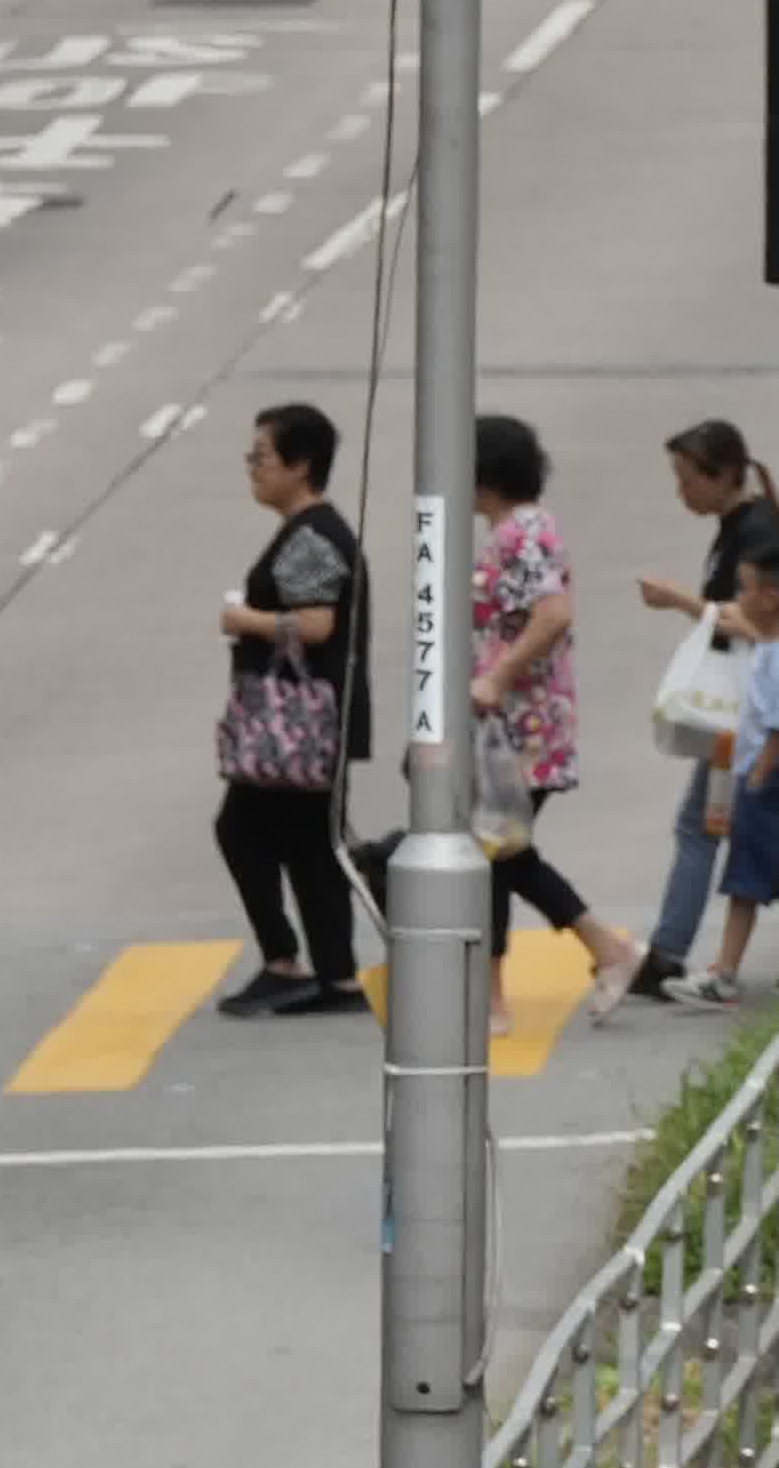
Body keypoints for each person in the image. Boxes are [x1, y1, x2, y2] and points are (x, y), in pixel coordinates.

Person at [384, 413, 641, 1002]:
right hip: (508, 726)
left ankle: (572, 961)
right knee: (496, 849)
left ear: (485, 476)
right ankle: (581, 957)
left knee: (492, 848)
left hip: (518, 730)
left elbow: (553, 613)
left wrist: (496, 677)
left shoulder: (520, 536)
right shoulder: (518, 532)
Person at [214, 401, 374, 1021]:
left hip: (300, 725)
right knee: (307, 844)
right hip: (311, 722)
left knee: (245, 831)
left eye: (262, 457)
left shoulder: (313, 536)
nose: (252, 469)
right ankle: (333, 975)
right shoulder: (311, 530)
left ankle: (289, 963)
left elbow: (314, 624)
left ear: (301, 465)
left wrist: (243, 620)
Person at [628, 419, 779, 996]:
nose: (683, 493)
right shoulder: (739, 525)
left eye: (688, 479)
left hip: (750, 709)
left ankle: (672, 950)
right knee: (722, 825)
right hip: (746, 709)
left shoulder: (755, 530)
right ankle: (673, 949)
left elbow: (749, 618)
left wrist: (678, 600)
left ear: (722, 475)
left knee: (716, 827)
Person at [691, 560, 779, 1001]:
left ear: (770, 599)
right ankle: (726, 969)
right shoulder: (771, 647)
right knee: (756, 878)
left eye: (745, 590)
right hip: (762, 777)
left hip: (767, 780)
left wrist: (757, 775)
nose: (738, 599)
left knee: (766, 878)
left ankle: (728, 971)